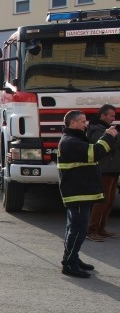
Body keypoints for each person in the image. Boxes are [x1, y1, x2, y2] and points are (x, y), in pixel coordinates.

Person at [57, 110, 117, 278]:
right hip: (78, 194)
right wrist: (108, 135)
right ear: (73, 123)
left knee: (74, 228)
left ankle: (72, 258)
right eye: (83, 121)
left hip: (80, 192)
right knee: (78, 229)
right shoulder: (70, 142)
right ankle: (69, 264)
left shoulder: (74, 140)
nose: (86, 124)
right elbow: (96, 152)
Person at [86, 104, 119, 241]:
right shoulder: (96, 130)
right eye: (111, 115)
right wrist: (114, 136)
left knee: (109, 201)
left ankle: (101, 228)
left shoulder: (106, 129)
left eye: (114, 116)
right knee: (101, 202)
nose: (113, 118)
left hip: (113, 169)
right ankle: (91, 230)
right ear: (102, 116)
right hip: (104, 170)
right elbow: (107, 146)